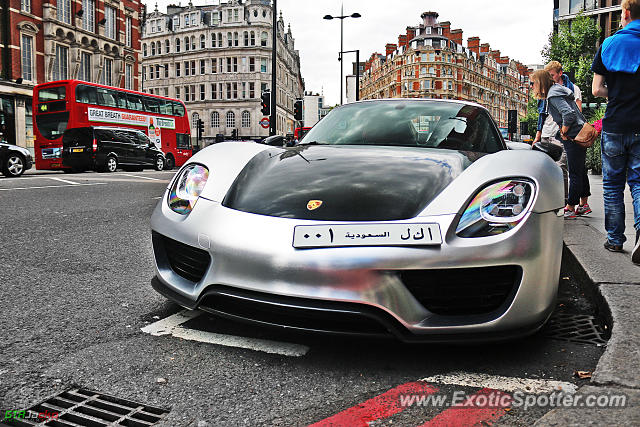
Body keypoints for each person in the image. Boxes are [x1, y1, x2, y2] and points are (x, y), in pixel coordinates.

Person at [591, 0, 640, 264]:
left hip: (615, 124)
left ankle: (614, 239)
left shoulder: (609, 44)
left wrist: (617, 93)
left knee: (612, 185)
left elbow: (596, 90)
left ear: (627, 14)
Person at [530, 69, 590, 219]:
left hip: (573, 136)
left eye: (533, 83)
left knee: (574, 173)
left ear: (540, 82)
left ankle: (570, 207)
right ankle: (579, 205)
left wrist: (563, 131)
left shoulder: (553, 94)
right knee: (579, 171)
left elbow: (568, 114)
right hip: (576, 134)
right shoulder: (556, 91)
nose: (531, 86)